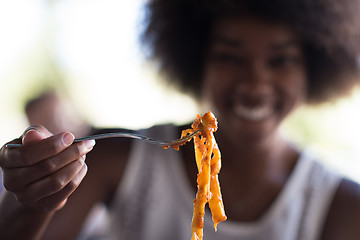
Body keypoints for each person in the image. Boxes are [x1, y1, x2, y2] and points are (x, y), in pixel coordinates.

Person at [1, 0, 360, 239]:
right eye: (229, 57)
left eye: (280, 61)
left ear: (313, 69)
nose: (254, 82)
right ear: (196, 61)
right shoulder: (121, 160)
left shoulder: (343, 204)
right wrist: (32, 201)